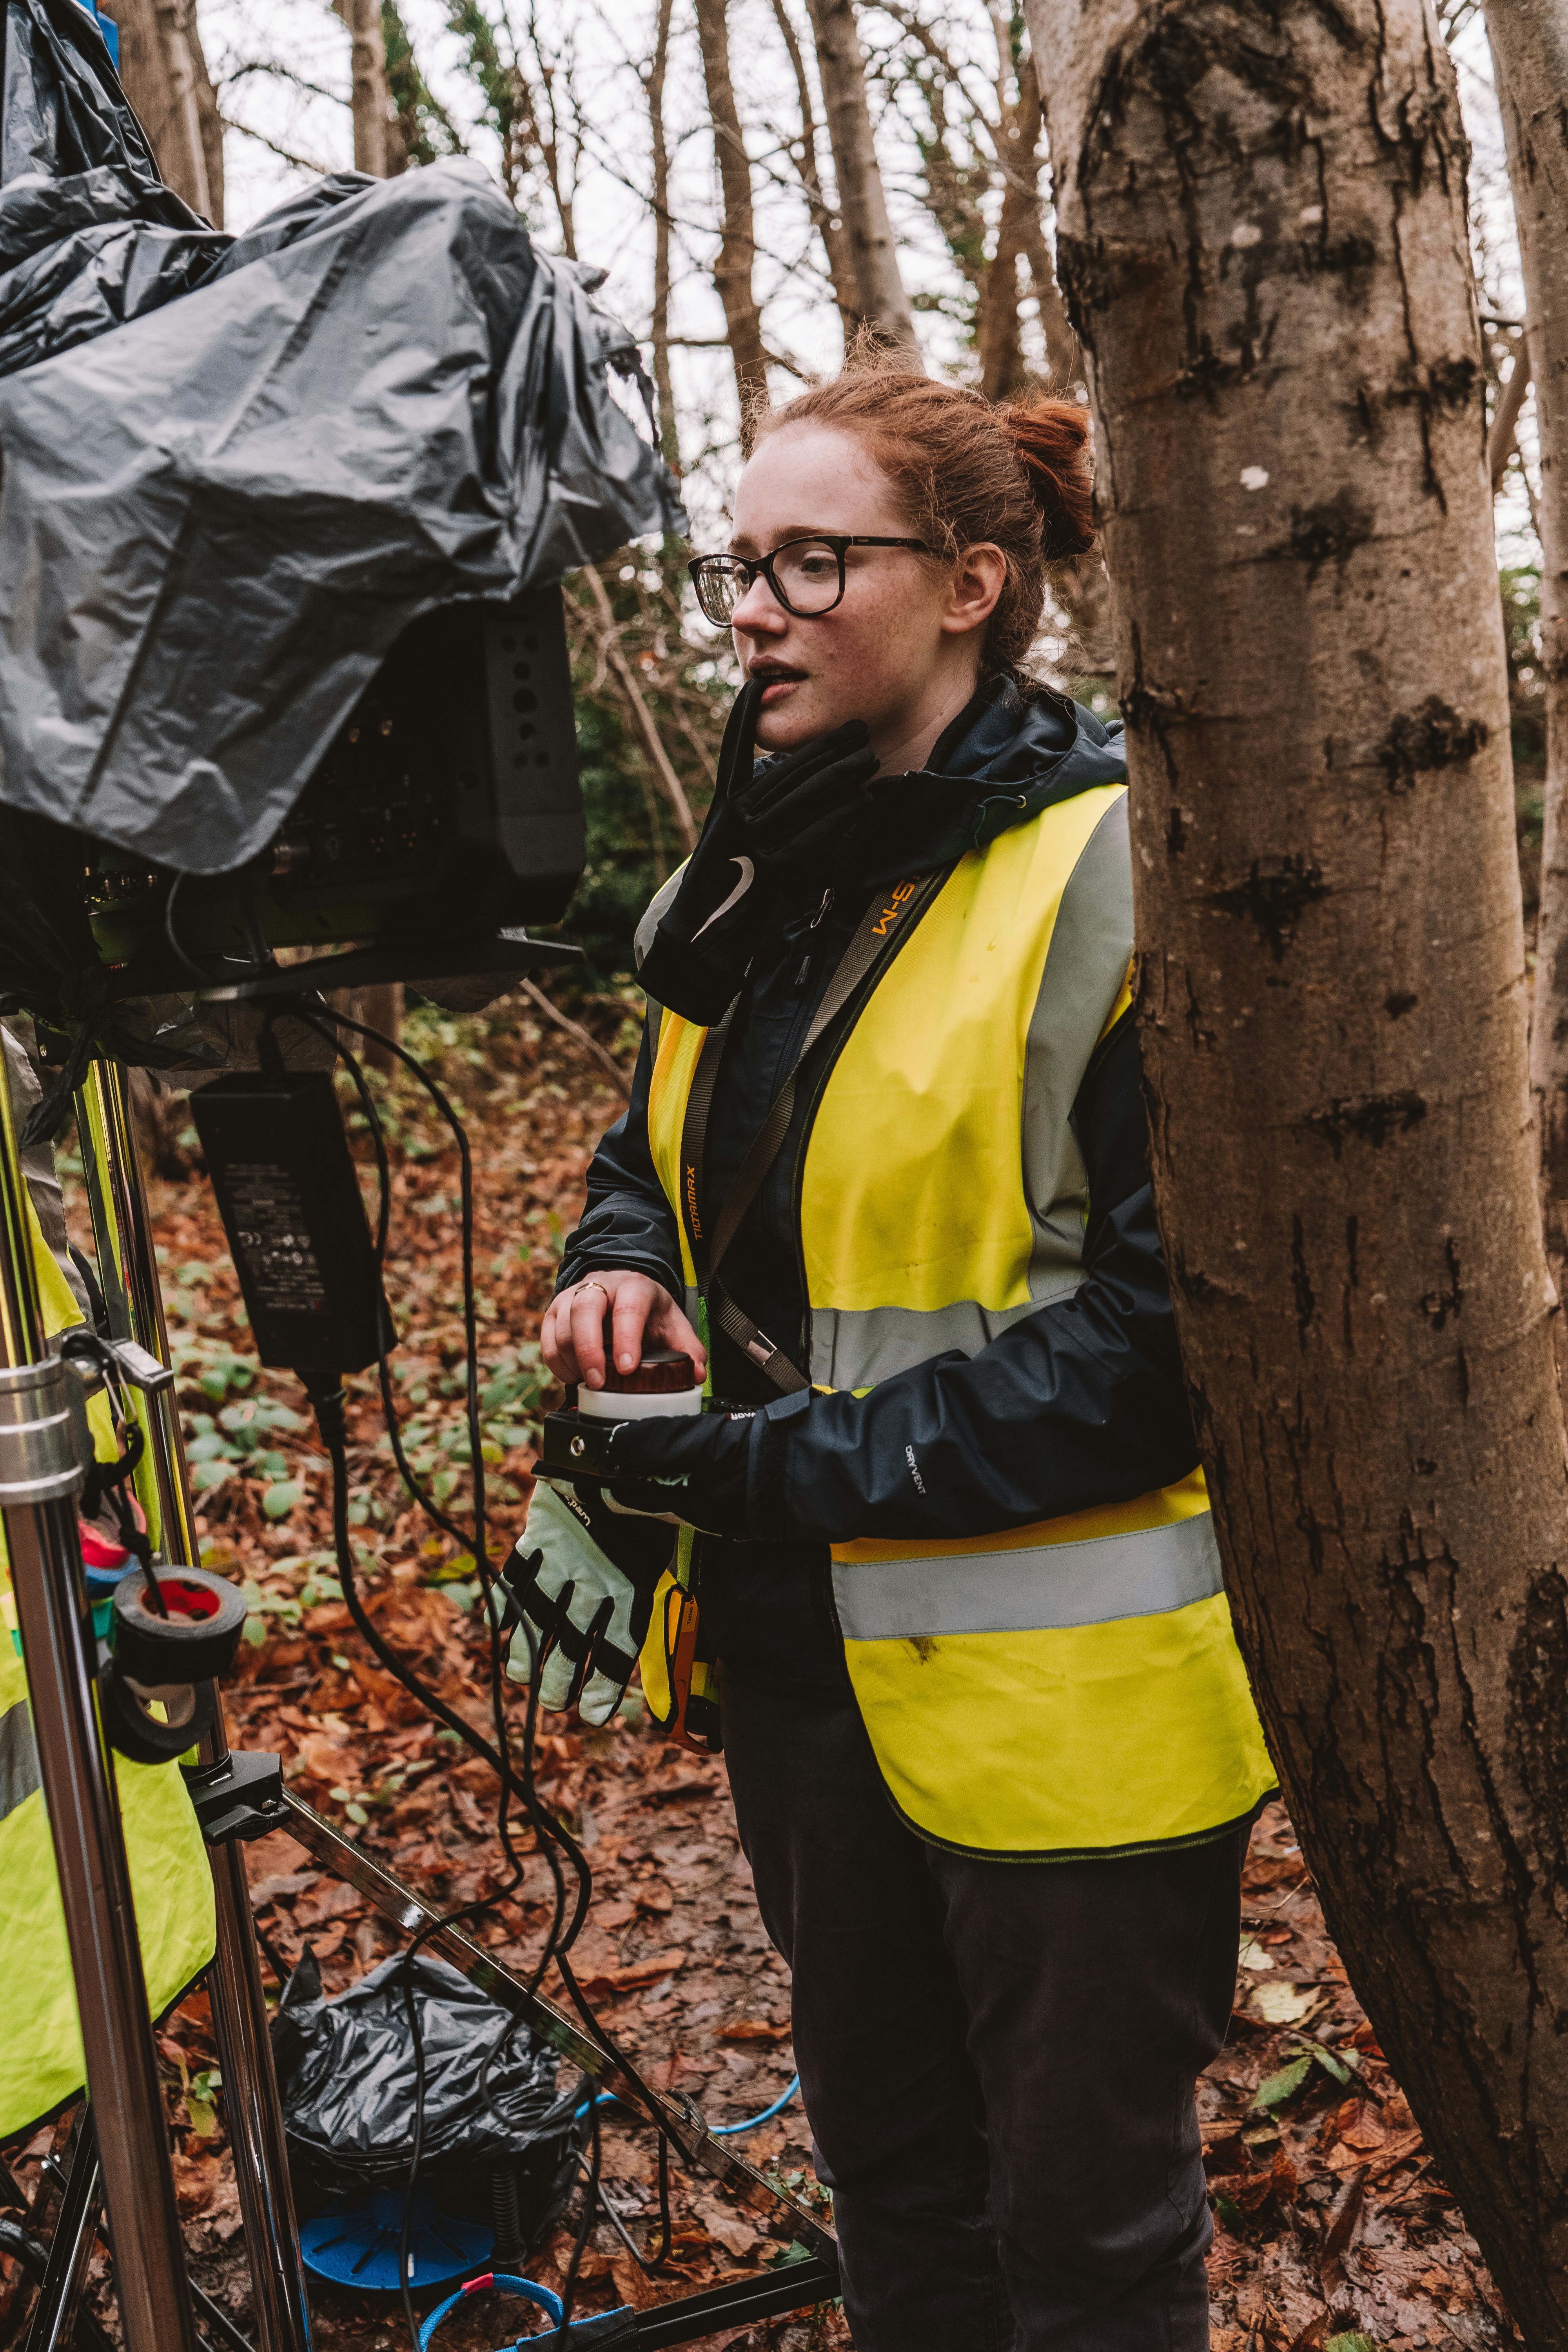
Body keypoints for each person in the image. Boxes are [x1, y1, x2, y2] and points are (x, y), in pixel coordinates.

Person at [514, 362, 1276, 2350]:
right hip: (803, 1664)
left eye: (808, 562)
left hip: (1068, 1715)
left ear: (969, 585)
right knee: (894, 2201)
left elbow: (1162, 1348)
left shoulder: (1110, 868)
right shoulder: (751, 871)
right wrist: (619, 1267)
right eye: (735, 564)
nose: (750, 607)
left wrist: (774, 1469)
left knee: (1090, 2240)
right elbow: (644, 1151)